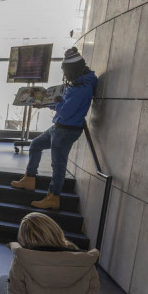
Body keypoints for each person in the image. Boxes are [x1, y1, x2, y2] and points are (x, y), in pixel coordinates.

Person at [11, 47, 98, 210]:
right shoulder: (77, 84)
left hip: (66, 130)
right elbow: (64, 107)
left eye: (65, 71)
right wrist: (44, 103)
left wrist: (57, 102)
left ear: (73, 69)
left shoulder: (82, 88)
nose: (64, 75)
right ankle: (29, 179)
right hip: (59, 127)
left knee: (58, 165)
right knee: (35, 145)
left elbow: (65, 111)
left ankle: (54, 196)